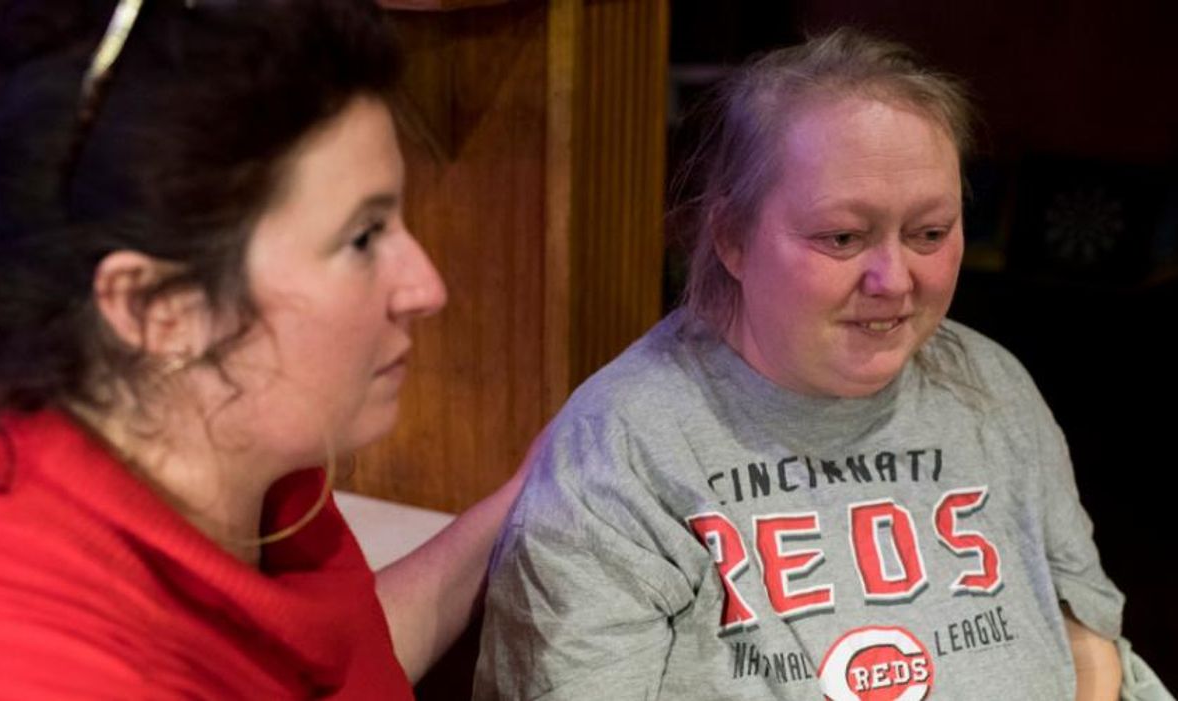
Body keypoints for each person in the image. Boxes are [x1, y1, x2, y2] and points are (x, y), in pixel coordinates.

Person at [475, 29, 1125, 700]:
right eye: (842, 237)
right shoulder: (623, 447)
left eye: (929, 233)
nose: (894, 279)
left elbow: (1086, 637)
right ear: (730, 237)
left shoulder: (990, 385)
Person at [0, 0, 525, 697]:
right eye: (362, 237)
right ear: (158, 309)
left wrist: (534, 483)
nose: (425, 286)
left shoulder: (247, 453)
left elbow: (328, 668)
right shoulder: (30, 666)